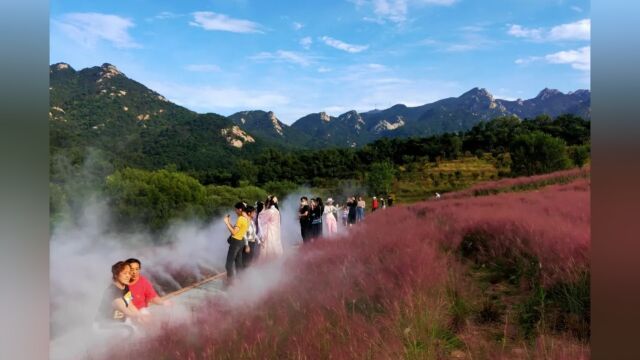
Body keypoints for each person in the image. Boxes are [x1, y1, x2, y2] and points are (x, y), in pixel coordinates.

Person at [94, 261, 148, 334]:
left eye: (129, 273)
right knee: (129, 331)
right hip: (104, 326)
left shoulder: (125, 287)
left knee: (141, 320)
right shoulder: (112, 291)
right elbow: (125, 309)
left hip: (119, 322)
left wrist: (140, 316)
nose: (128, 276)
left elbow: (129, 304)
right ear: (116, 275)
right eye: (125, 273)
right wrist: (140, 316)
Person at [224, 202, 250, 285]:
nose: (235, 211)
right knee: (238, 263)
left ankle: (230, 284)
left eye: (236, 209)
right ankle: (241, 281)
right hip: (241, 242)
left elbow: (234, 232)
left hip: (235, 242)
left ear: (240, 209)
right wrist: (230, 222)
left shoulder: (240, 219)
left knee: (229, 264)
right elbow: (238, 229)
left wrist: (226, 223)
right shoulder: (247, 219)